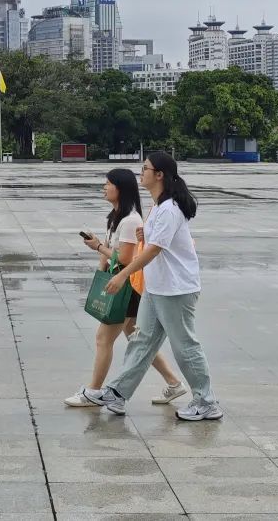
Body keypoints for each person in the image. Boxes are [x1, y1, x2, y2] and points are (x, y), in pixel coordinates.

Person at [88, 152, 221, 421]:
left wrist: (123, 274)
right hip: (157, 287)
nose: (142, 173)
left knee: (185, 346)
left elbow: (154, 251)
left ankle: (206, 401)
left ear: (159, 175)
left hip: (176, 289)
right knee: (141, 341)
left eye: (145, 168)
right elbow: (154, 244)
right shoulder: (158, 207)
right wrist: (145, 234)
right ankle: (118, 392)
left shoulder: (170, 209)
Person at [65, 168, 188, 408]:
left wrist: (98, 247)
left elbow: (124, 258)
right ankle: (174, 383)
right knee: (136, 338)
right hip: (120, 283)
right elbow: (111, 254)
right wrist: (100, 270)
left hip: (128, 286)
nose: (104, 187)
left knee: (103, 338)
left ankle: (93, 392)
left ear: (120, 188)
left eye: (108, 183)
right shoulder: (116, 215)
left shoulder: (131, 220)